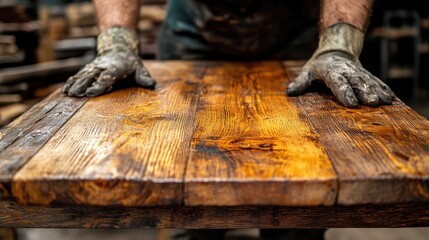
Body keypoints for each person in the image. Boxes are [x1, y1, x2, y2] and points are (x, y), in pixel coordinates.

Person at [62, 1, 396, 239]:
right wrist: (116, 43)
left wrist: (337, 46)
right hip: (195, 30)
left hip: (298, 30)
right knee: (188, 191)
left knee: (302, 194)